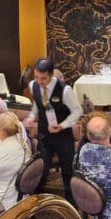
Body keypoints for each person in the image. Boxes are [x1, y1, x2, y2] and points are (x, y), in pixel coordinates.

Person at [23, 58, 81, 203]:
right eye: (36, 77)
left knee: (68, 172)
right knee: (40, 170)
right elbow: (37, 105)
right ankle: (36, 203)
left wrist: (62, 125)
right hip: (44, 136)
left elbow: (77, 111)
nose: (39, 81)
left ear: (51, 75)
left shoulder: (64, 90)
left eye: (43, 78)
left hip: (63, 137)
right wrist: (31, 117)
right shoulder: (33, 86)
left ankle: (71, 205)